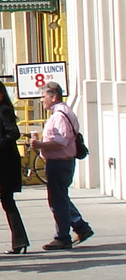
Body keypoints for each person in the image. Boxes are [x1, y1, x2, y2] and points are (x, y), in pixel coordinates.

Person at [32, 82, 94, 251]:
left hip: (60, 162)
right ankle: (80, 227)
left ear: (54, 97)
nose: (41, 100)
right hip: (61, 162)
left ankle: (62, 237)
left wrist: (40, 145)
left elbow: (61, 141)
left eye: (43, 97)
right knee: (61, 197)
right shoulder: (61, 113)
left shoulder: (60, 115)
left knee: (57, 200)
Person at [0, 80, 29, 254]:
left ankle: (14, 241)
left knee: (2, 201)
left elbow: (13, 133)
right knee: (7, 203)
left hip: (4, 164)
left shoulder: (4, 111)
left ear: (1, 93)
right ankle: (19, 241)